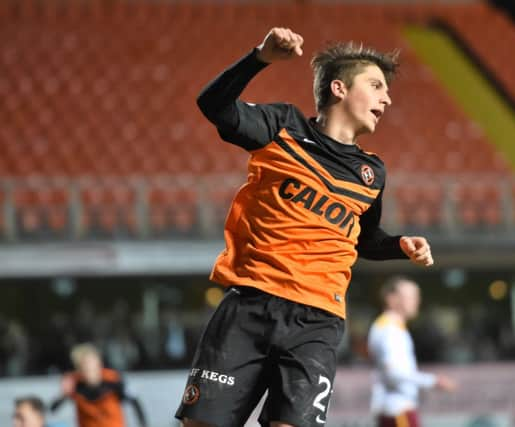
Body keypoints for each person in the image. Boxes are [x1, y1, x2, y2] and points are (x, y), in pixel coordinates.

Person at [177, 27, 435, 427]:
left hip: (318, 322)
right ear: (339, 89)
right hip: (251, 304)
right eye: (376, 85)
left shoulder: (372, 173)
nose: (387, 97)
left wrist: (401, 244)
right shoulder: (282, 127)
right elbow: (213, 104)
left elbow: (365, 239)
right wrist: (259, 58)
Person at [368, 277, 456, 427]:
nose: (416, 301)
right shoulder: (390, 330)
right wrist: (434, 381)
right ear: (392, 299)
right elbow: (394, 373)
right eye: (410, 297)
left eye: (416, 296)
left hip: (395, 409)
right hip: (398, 410)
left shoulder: (392, 327)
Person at [50, 343, 147, 427]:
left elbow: (134, 401)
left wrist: (143, 424)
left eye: (91, 364)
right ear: (78, 368)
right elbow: (52, 409)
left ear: (98, 363)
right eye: (83, 365)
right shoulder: (74, 384)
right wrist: (63, 395)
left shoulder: (113, 379)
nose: (88, 368)